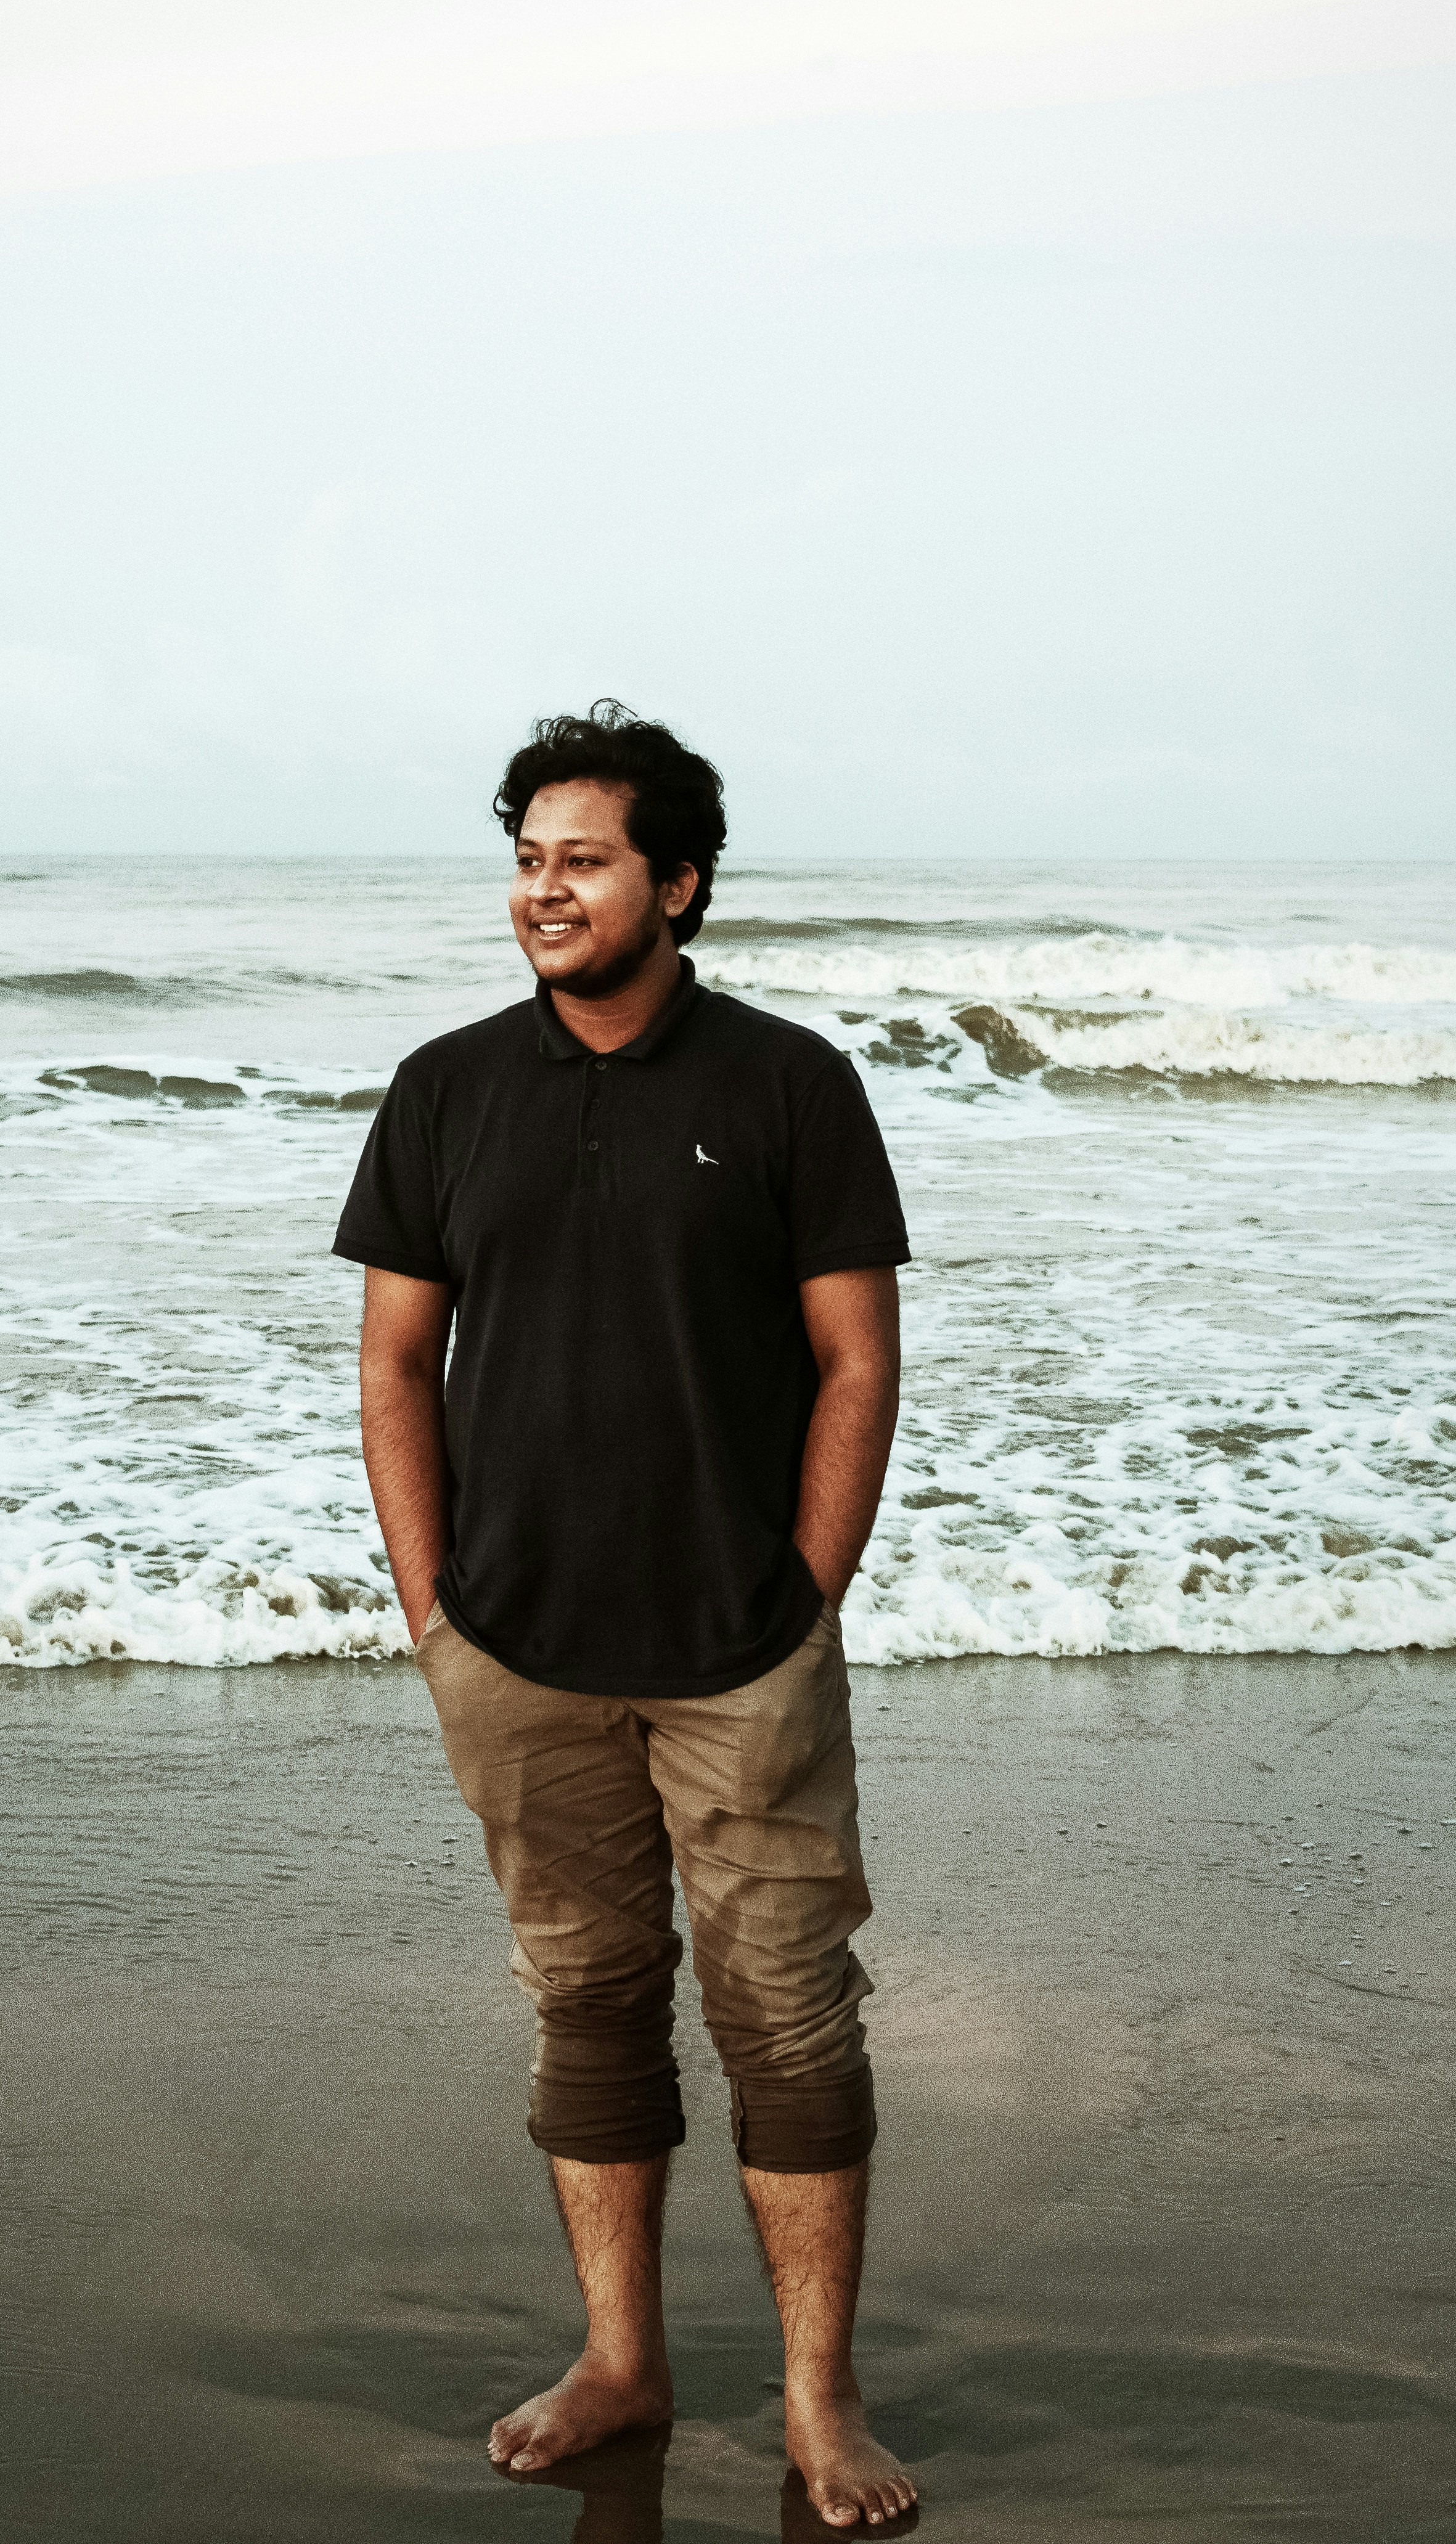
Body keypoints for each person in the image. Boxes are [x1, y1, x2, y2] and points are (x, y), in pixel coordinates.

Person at [336, 702, 921, 2532]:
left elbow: (854, 1357)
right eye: (524, 857)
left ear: (677, 881)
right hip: (515, 1646)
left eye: (580, 857)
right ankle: (622, 2358)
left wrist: (805, 1594)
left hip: (736, 1647)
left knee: (786, 2021)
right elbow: (393, 1361)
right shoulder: (446, 1086)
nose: (541, 890)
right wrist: (436, 1606)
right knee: (588, 2002)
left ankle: (816, 2401)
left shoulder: (787, 1084)